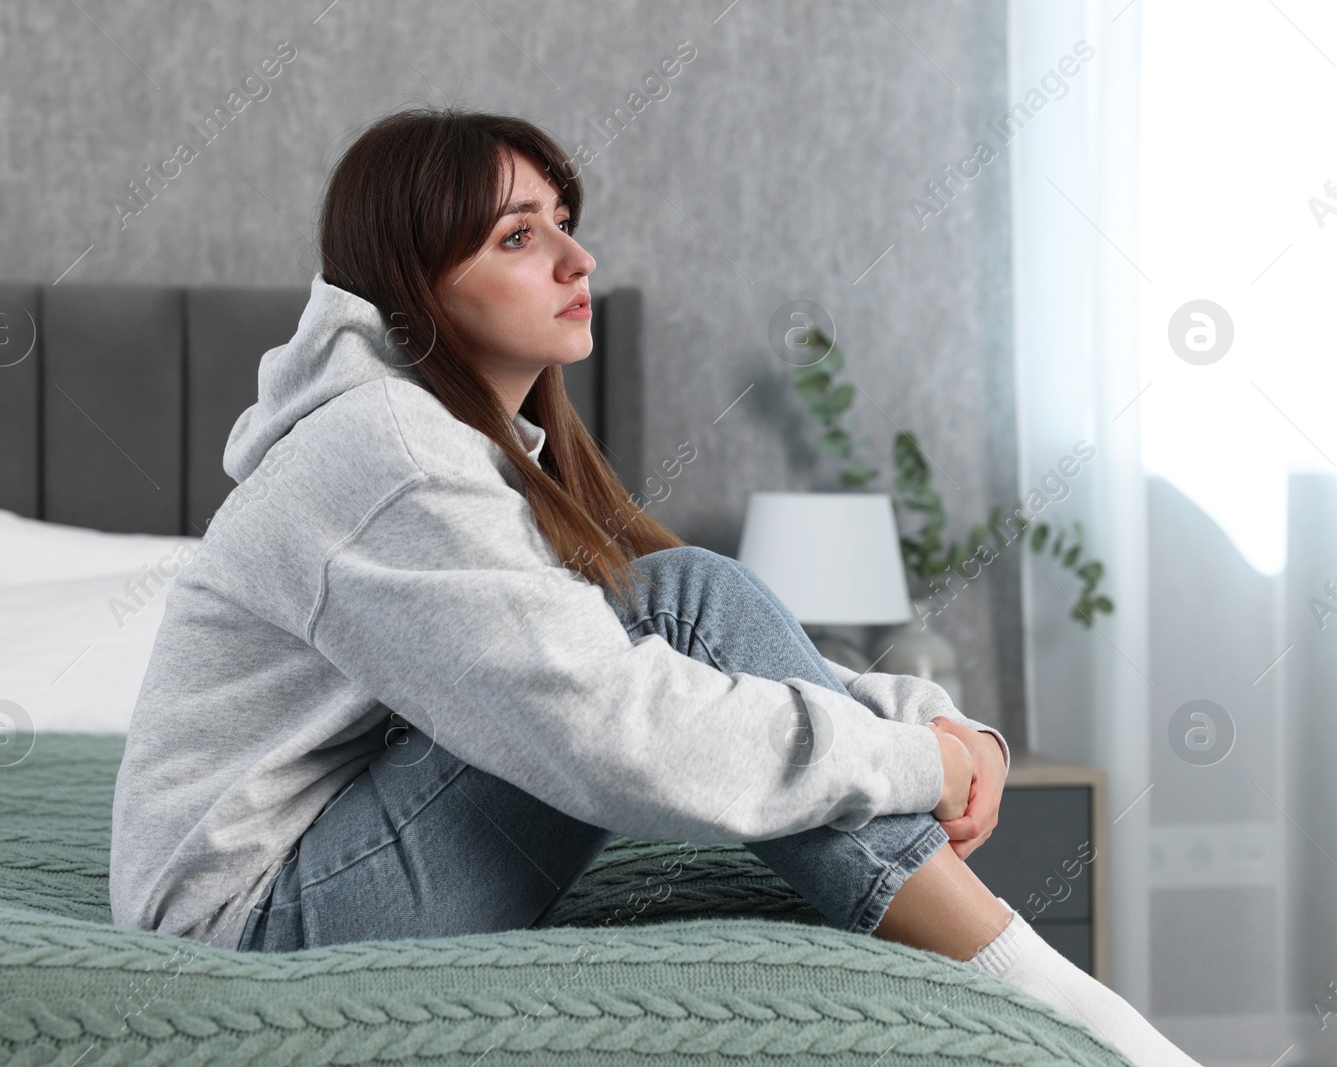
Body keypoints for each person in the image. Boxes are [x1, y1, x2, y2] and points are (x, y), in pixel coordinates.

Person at [108, 106, 1200, 1067]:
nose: (575, 259)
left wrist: (941, 727)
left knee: (670, 599)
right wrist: (916, 756)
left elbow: (637, 675)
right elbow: (607, 726)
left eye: (562, 219)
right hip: (252, 925)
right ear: (416, 287)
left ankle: (1024, 967)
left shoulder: (449, 445)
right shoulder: (381, 450)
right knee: (679, 599)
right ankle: (1052, 993)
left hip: (310, 868)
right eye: (518, 236)